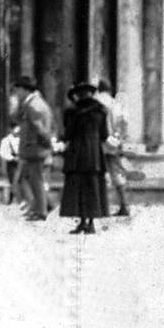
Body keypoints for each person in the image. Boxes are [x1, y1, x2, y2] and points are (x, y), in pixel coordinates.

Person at [59, 81, 110, 234]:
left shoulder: (73, 112)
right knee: (93, 187)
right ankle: (91, 223)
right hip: (94, 154)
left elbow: (67, 134)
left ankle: (82, 221)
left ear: (78, 95)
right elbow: (104, 135)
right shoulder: (101, 111)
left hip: (77, 153)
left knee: (78, 187)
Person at [12, 74, 54, 221]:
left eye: (18, 90)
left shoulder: (33, 106)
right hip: (34, 148)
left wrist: (48, 145)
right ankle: (42, 205)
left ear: (25, 90)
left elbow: (39, 129)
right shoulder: (34, 103)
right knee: (30, 178)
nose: (17, 94)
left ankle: (41, 210)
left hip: (35, 149)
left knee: (36, 180)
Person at [95, 78, 130, 218]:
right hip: (113, 142)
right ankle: (124, 204)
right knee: (116, 173)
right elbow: (124, 122)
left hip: (98, 142)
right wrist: (119, 138)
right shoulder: (115, 103)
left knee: (99, 173)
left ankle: (101, 206)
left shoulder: (97, 102)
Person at [0, 122, 21, 206]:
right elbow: (3, 153)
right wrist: (12, 158)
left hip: (21, 162)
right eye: (15, 129)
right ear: (10, 130)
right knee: (14, 180)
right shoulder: (6, 140)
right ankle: (12, 198)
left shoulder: (22, 139)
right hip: (12, 163)